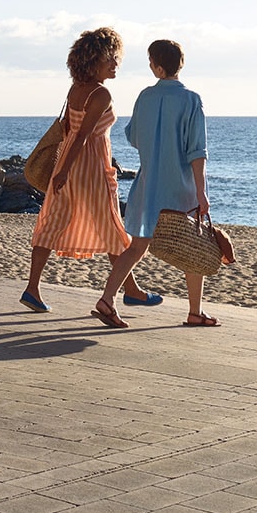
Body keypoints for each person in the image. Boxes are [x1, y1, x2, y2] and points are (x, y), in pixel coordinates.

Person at [20, 27, 161, 313]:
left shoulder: (76, 89)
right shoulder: (101, 94)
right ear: (92, 60)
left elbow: (71, 131)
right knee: (111, 227)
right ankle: (131, 291)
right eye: (109, 58)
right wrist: (64, 171)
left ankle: (32, 289)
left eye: (115, 57)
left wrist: (62, 171)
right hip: (91, 168)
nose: (115, 63)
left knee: (52, 222)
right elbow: (83, 135)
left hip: (69, 165)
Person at [90, 39, 216, 328]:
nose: (149, 66)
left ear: (158, 67)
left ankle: (107, 299)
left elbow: (133, 137)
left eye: (150, 62)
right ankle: (195, 311)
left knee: (136, 247)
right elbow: (197, 151)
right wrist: (202, 191)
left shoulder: (145, 97)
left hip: (148, 187)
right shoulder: (191, 100)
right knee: (192, 248)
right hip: (179, 187)